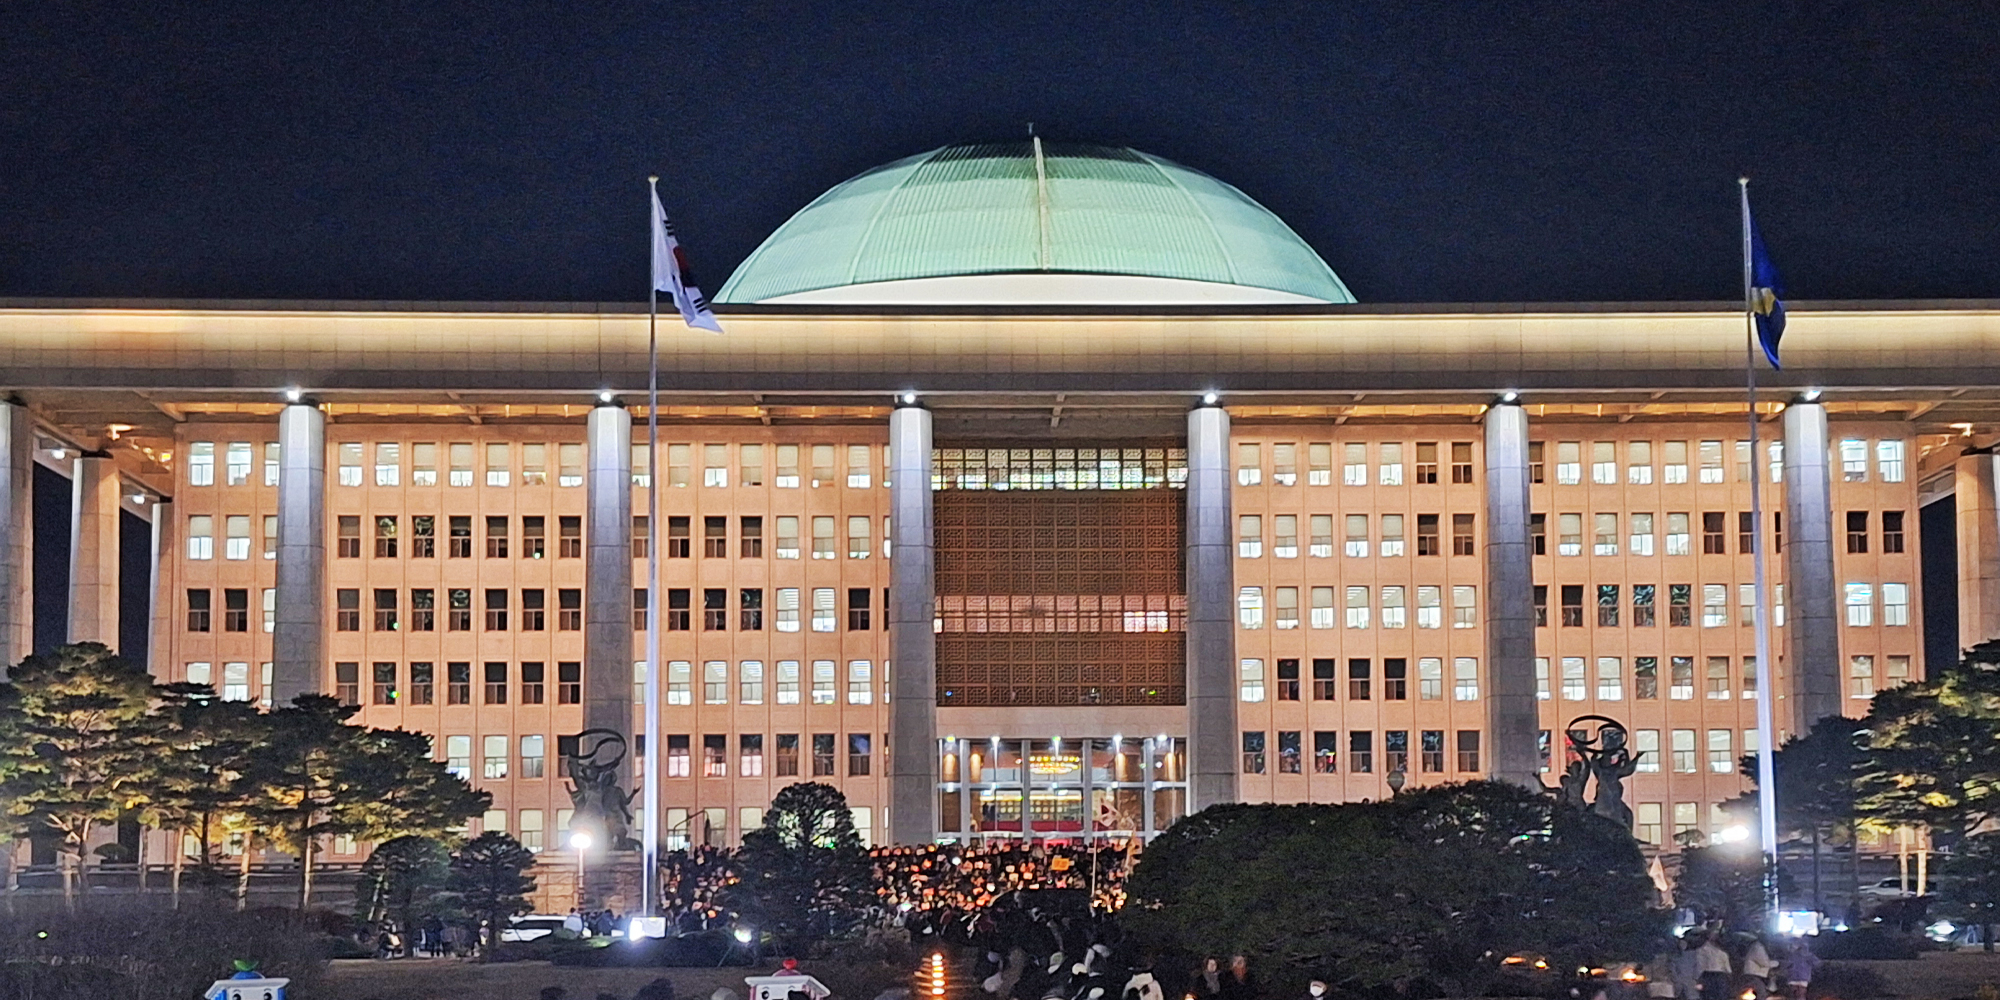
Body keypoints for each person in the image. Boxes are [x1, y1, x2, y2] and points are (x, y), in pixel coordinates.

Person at [1693, 933, 1732, 1000]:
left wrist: (1696, 978)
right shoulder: (1723, 953)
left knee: (1707, 996)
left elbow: (1700, 965)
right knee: (1721, 996)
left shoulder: (1701, 950)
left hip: (1708, 976)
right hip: (1721, 976)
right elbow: (1728, 969)